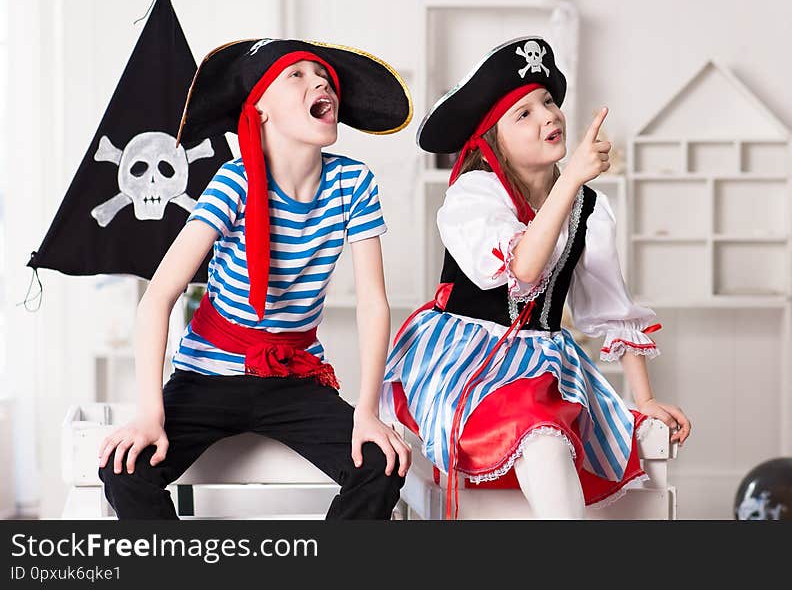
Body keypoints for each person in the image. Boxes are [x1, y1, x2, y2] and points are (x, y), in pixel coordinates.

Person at [98, 38, 413, 519]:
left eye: (322, 75)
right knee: (125, 470)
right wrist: (149, 414)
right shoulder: (235, 180)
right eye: (298, 75)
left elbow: (373, 303)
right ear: (260, 110)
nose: (320, 80)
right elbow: (158, 297)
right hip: (207, 375)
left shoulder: (353, 182)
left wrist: (367, 412)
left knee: (382, 462)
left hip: (293, 375)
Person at [383, 36, 691, 519]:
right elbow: (521, 268)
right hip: (465, 359)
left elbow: (612, 308)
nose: (548, 115)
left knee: (550, 435)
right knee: (543, 441)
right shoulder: (475, 194)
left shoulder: (589, 210)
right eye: (523, 113)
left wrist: (645, 398)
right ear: (492, 138)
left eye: (547, 101)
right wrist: (571, 181)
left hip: (543, 361)